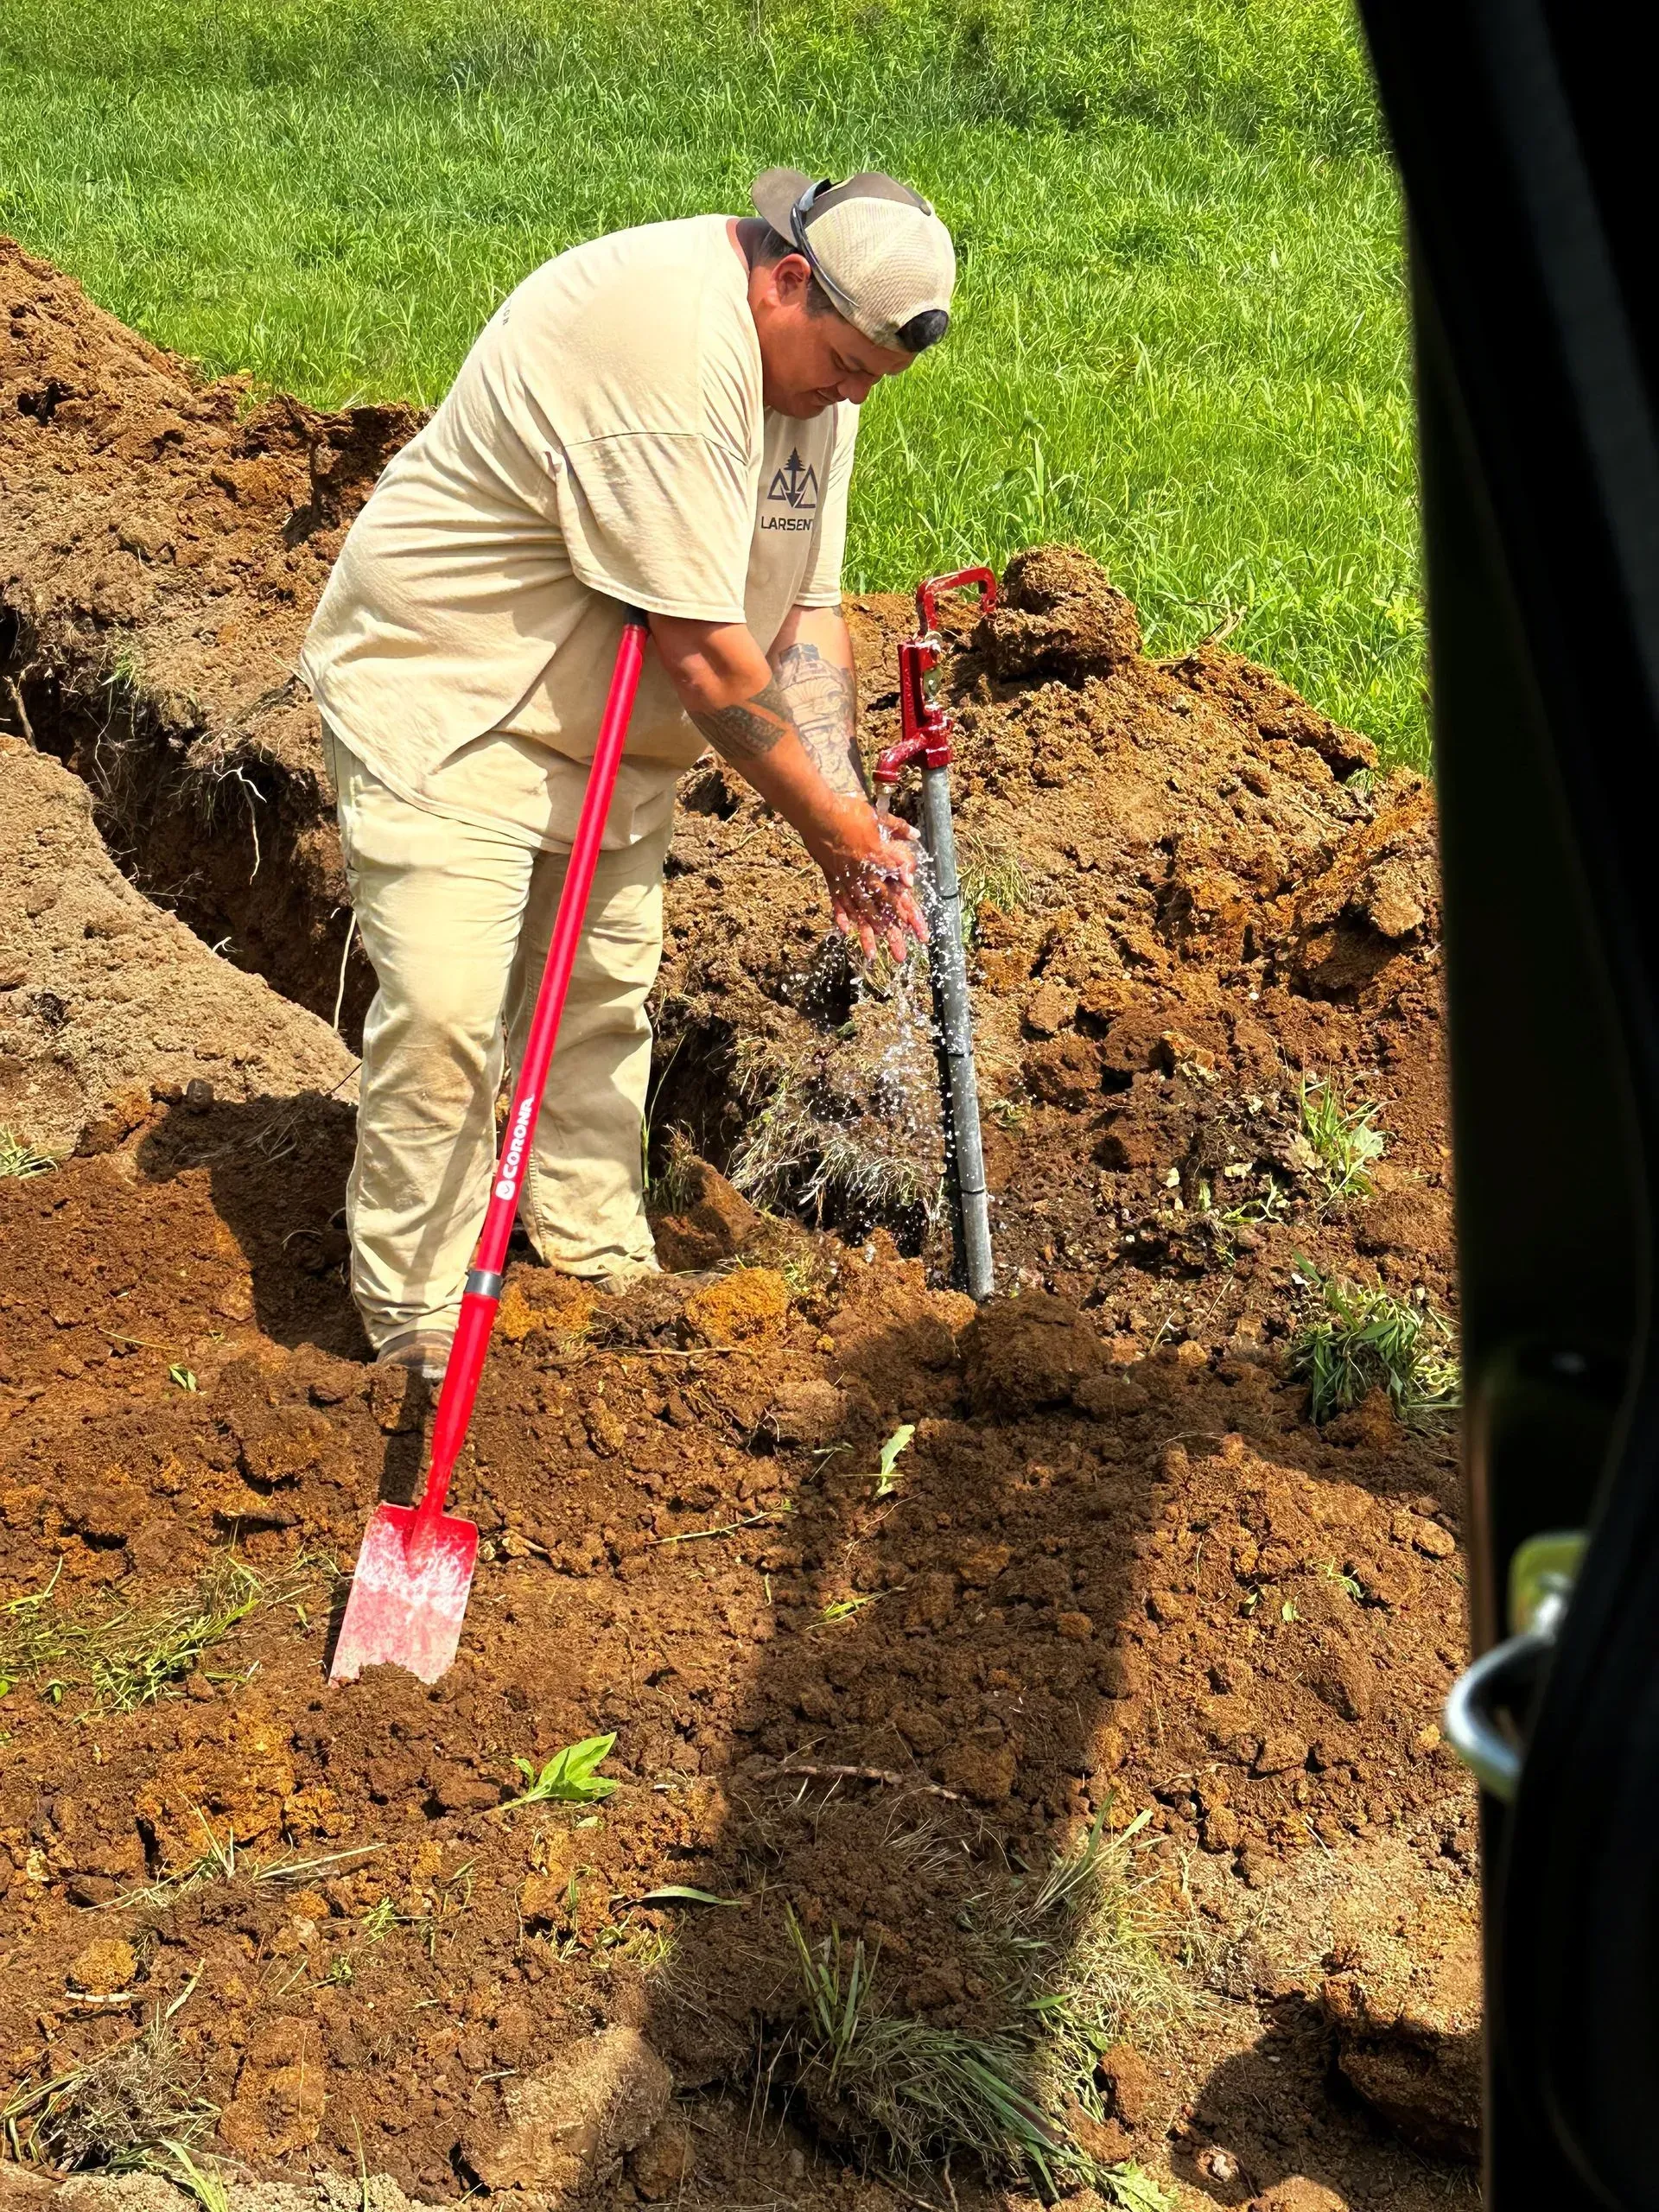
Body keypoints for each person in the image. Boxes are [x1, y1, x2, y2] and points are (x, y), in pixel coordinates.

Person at [299, 168, 956, 1377]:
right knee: (449, 1014)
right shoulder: (667, 344)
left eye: (872, 378)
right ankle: (421, 1318)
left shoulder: (818, 368)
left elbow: (805, 614)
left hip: (604, 726)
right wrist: (833, 839)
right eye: (850, 366)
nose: (853, 394)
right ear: (788, 279)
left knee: (599, 1001)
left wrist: (847, 799)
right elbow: (709, 658)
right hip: (461, 699)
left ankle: (596, 1258)